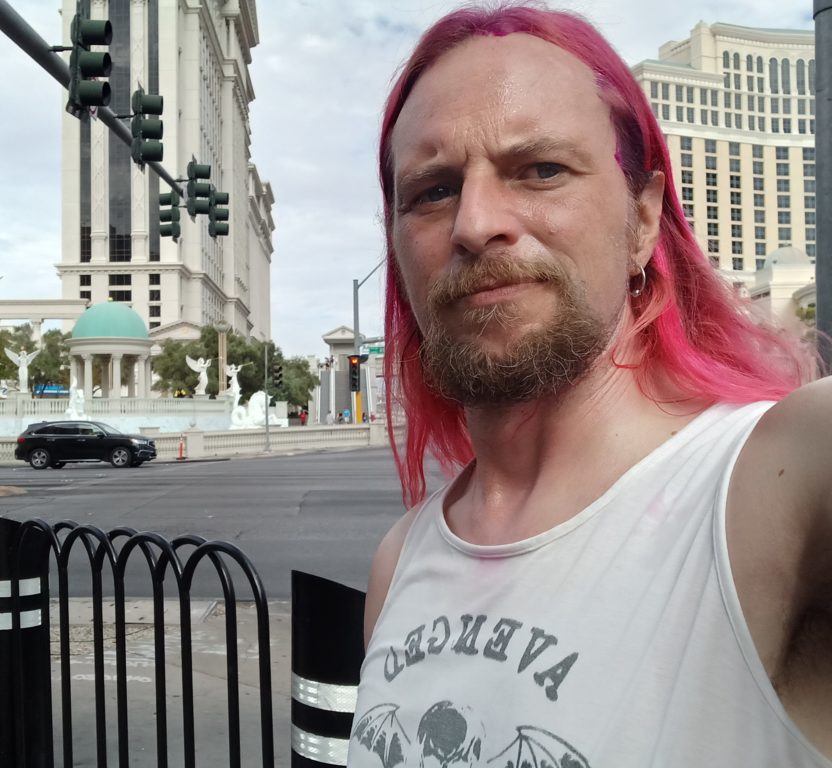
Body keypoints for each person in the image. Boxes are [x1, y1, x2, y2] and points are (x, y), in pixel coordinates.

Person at [348, 6, 831, 767]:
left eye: (540, 169)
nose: (475, 223)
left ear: (642, 221)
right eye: (433, 190)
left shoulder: (774, 484)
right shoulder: (401, 559)